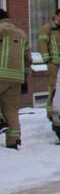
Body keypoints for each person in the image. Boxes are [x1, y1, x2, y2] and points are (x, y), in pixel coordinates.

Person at [0, 10, 32, 149]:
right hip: (17, 77)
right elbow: (28, 59)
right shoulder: (21, 34)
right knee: (12, 110)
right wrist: (24, 77)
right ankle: (13, 140)